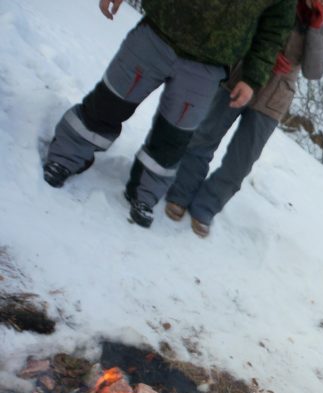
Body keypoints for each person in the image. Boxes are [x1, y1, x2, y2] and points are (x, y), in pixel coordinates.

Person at [42, 0, 296, 228]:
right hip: (159, 31)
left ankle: (144, 194)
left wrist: (253, 77)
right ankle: (66, 156)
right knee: (110, 101)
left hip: (209, 63)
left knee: (173, 136)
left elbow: (273, 31)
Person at [165, 0, 323, 238]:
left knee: (241, 162)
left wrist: (316, 30)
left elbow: (313, 71)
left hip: (274, 100)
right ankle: (180, 192)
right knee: (205, 137)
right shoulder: (282, 4)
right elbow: (247, 25)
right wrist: (264, 54)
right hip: (242, 75)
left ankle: (206, 206)